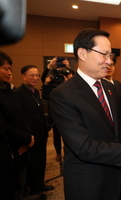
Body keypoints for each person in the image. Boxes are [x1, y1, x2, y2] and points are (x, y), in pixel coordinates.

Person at [49, 28, 121, 200]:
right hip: (87, 183)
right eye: (104, 55)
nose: (109, 61)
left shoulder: (110, 88)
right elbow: (84, 147)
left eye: (111, 56)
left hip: (114, 176)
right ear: (82, 54)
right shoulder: (63, 94)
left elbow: (115, 134)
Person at [0, 51, 35, 200]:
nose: (9, 73)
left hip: (21, 148)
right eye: (6, 69)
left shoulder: (9, 90)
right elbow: (3, 126)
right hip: (6, 151)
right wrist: (27, 138)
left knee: (20, 186)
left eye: (10, 69)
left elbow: (22, 116)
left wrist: (28, 139)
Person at [14, 65, 51, 199]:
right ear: (23, 76)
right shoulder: (18, 93)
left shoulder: (35, 91)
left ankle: (40, 184)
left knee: (41, 161)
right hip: (31, 136)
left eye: (37, 75)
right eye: (32, 75)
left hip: (41, 134)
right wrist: (28, 136)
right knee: (33, 164)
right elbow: (20, 118)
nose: (35, 78)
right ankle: (34, 192)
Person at [42, 57, 74, 162]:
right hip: (55, 110)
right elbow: (45, 83)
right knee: (56, 134)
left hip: (68, 111)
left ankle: (68, 152)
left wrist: (68, 68)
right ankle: (58, 153)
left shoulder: (68, 75)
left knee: (68, 133)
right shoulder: (52, 73)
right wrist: (49, 67)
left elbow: (75, 81)